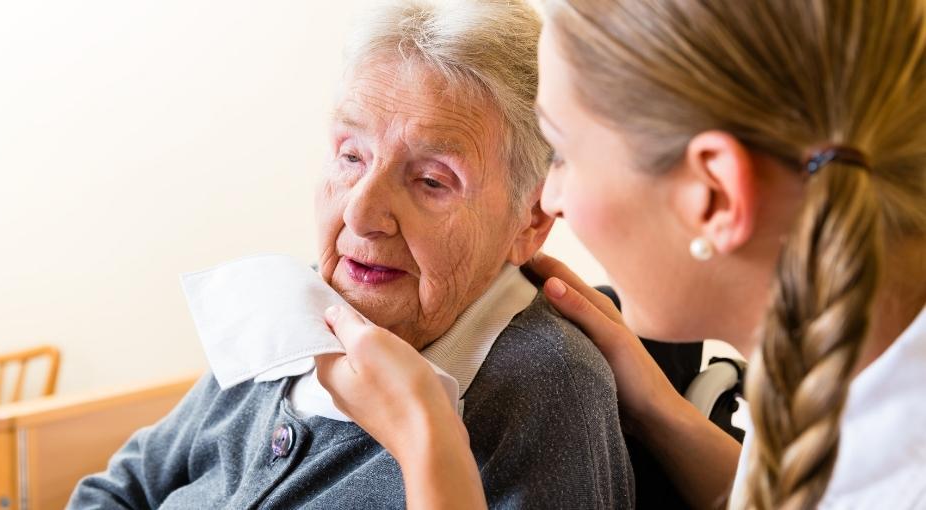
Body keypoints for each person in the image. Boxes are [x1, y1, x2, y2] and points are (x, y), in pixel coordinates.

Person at [316, 0, 926, 508]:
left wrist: (430, 447)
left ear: (713, 196)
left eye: (565, 155)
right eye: (350, 155)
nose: (549, 202)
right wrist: (665, 413)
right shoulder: (842, 388)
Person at [68, 1, 636, 508]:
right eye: (350, 156)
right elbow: (122, 488)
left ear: (530, 217)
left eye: (432, 181)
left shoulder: (547, 385)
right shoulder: (295, 305)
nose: (362, 215)